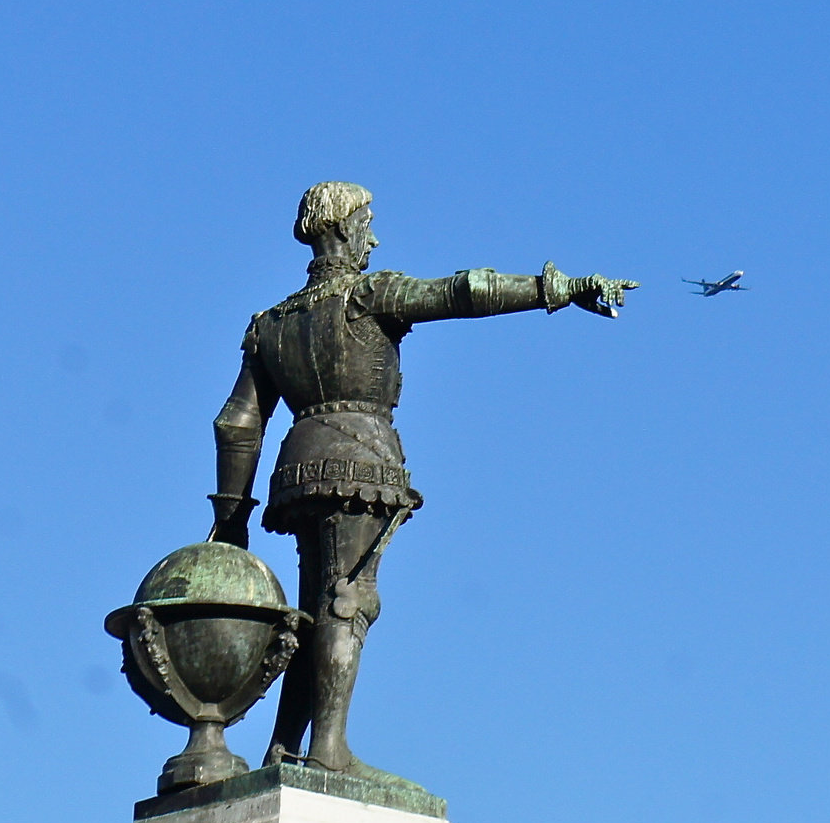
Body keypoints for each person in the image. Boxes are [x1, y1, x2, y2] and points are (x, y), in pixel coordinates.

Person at [207, 181, 636, 785]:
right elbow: (463, 292)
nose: (373, 236)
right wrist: (555, 290)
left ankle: (284, 746)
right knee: (348, 600)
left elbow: (237, 423)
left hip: (296, 469)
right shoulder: (370, 294)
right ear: (341, 228)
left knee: (314, 603)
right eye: (366, 222)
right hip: (362, 462)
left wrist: (231, 522)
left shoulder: (273, 322)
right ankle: (328, 748)